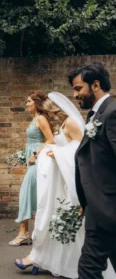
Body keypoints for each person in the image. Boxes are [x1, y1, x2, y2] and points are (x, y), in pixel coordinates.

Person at [14, 92, 115, 278]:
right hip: (60, 178)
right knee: (53, 219)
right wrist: (53, 152)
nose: (46, 108)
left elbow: (81, 151)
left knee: (65, 222)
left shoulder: (70, 123)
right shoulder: (61, 124)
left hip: (70, 182)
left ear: (56, 107)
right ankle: (41, 258)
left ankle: (59, 262)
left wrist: (57, 154)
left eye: (49, 105)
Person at [68, 61, 116, 279]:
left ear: (95, 85)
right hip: (99, 208)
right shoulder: (96, 115)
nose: (75, 94)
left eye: (78, 88)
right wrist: (87, 202)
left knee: (88, 270)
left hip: (108, 210)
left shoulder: (112, 113)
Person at [9, 91, 54, 246]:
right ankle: (31, 232)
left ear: (36, 103)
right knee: (33, 194)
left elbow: (51, 140)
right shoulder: (35, 118)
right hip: (33, 161)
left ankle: (24, 233)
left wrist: (35, 153)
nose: (26, 104)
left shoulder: (41, 119)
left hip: (39, 160)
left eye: (29, 101)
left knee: (26, 193)